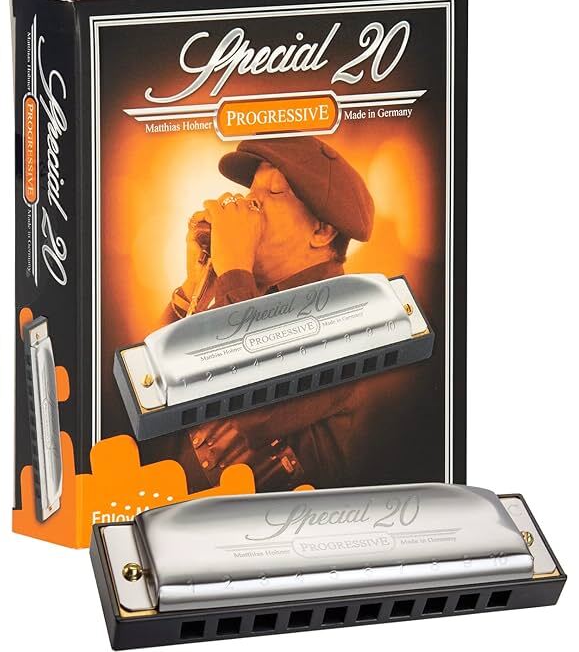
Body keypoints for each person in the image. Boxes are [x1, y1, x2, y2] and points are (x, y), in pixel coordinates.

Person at [145, 136, 418, 492]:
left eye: (273, 193)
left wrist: (235, 270)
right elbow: (151, 402)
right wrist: (192, 290)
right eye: (252, 191)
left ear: (322, 231)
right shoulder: (249, 296)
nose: (248, 203)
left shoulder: (354, 319)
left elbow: (254, 409)